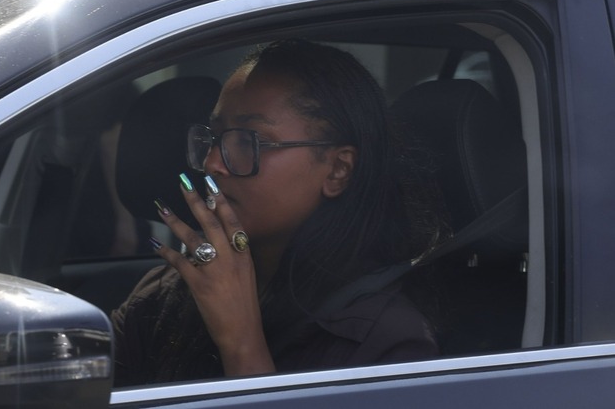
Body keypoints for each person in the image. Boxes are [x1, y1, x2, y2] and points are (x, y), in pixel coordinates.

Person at [111, 39, 447, 386]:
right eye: (214, 137)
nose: (212, 163)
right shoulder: (167, 291)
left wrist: (241, 342)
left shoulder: (385, 341)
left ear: (338, 170)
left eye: (248, 141)